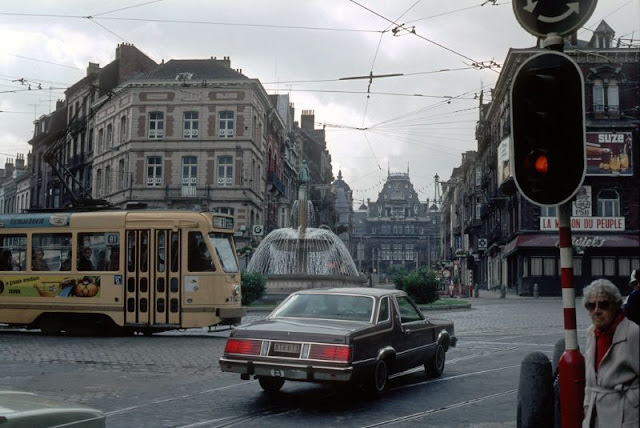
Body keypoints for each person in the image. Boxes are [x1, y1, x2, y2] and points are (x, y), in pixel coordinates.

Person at [582, 279, 639, 428]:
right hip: (595, 416)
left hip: (624, 416)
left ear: (616, 305)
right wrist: (587, 407)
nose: (596, 310)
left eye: (603, 305)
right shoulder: (591, 333)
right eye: (590, 306)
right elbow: (589, 381)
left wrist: (633, 401)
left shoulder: (633, 333)